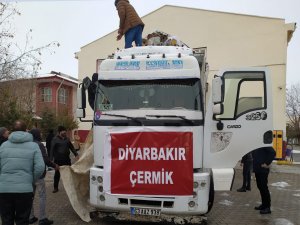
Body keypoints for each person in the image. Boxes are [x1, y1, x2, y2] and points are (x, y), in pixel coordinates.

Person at [0, 120, 45, 225]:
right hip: (24, 190)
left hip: (4, 190)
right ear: (26, 130)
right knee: (23, 220)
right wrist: (31, 179)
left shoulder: (3, 146)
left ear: (12, 131)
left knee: (6, 220)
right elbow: (40, 167)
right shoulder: (34, 146)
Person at [29, 129, 58, 225]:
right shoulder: (39, 145)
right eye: (40, 133)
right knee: (42, 196)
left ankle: (31, 217)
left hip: (29, 175)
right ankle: (42, 218)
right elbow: (45, 159)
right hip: (39, 175)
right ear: (37, 135)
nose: (41, 134)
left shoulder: (27, 144)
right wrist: (54, 166)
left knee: (30, 196)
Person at [50, 126, 79, 193]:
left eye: (65, 131)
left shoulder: (67, 139)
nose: (65, 132)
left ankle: (70, 187)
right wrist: (51, 160)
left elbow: (72, 148)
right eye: (63, 131)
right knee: (57, 174)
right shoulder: (55, 139)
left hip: (66, 159)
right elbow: (51, 150)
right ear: (60, 132)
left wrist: (76, 154)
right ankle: (55, 188)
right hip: (58, 160)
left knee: (69, 173)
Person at [252, 147, 276, 214]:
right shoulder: (257, 145)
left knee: (264, 188)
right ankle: (264, 205)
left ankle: (267, 207)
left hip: (263, 170)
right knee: (260, 187)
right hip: (258, 169)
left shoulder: (264, 144)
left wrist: (267, 163)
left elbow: (273, 152)